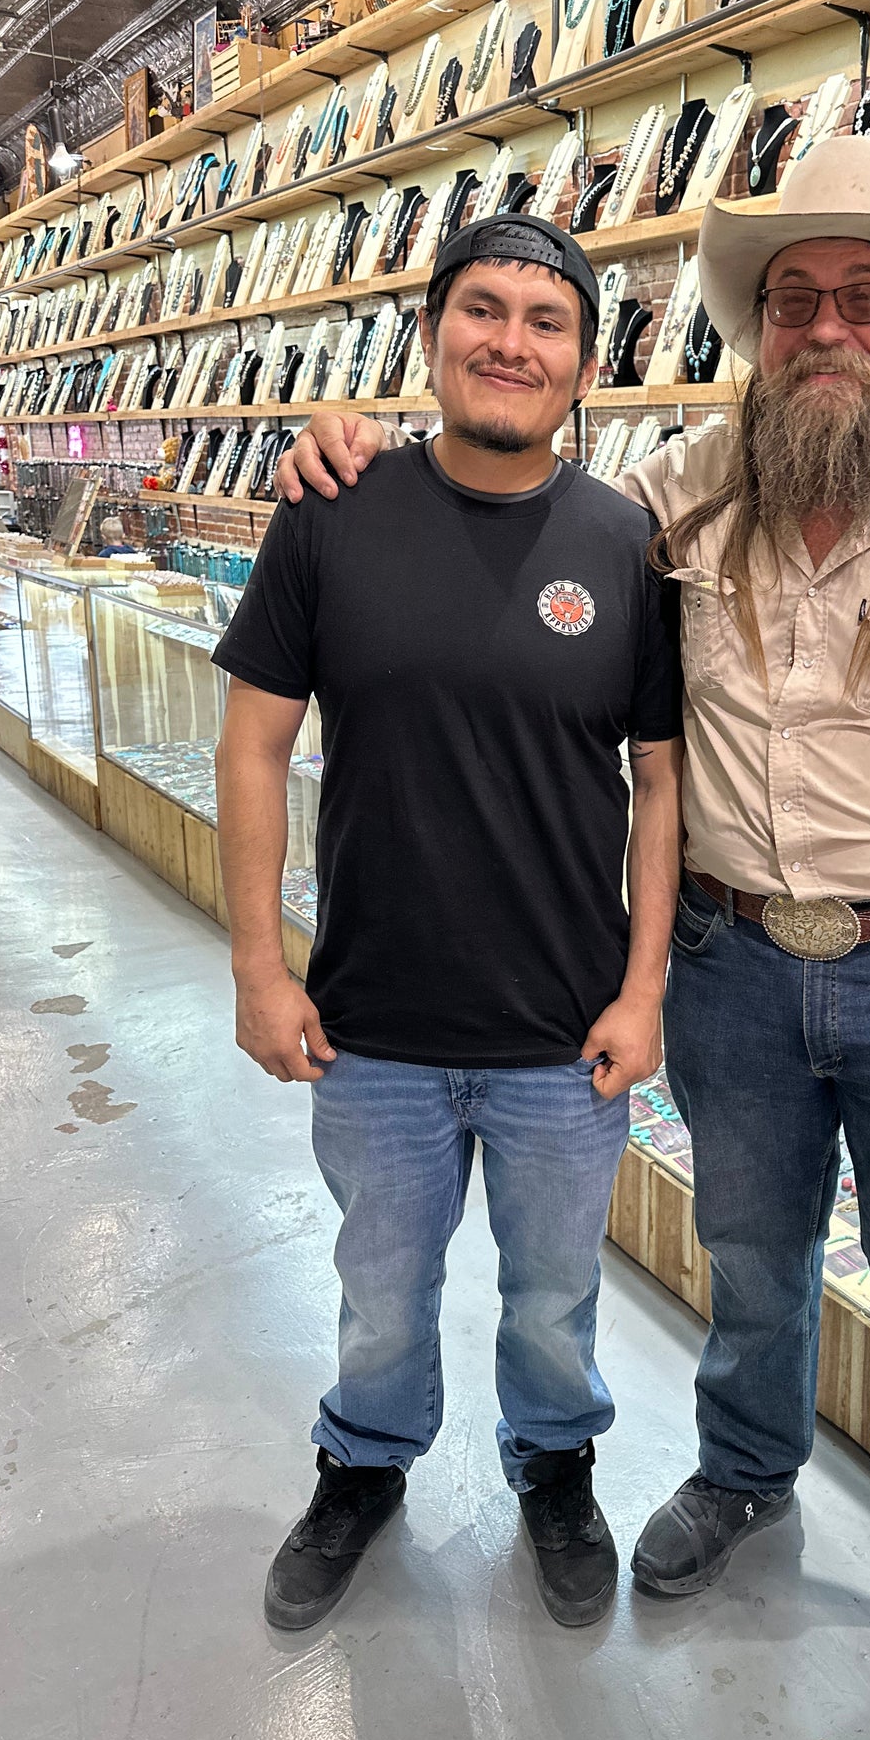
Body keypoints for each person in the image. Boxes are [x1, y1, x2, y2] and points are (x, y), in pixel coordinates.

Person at [275, 138, 870, 1716]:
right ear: (759, 329)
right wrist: (360, 440)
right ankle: (743, 1475)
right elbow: (506, 488)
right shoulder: (680, 493)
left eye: (863, 298)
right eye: (794, 298)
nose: (824, 327)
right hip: (728, 965)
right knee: (752, 1259)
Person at [212, 216, 684, 1635]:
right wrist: (254, 965)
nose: (510, 342)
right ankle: (362, 1464)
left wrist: (642, 988)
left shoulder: (625, 544)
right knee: (378, 1289)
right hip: (374, 1022)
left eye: (547, 321)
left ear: (585, 362)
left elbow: (658, 780)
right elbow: (251, 746)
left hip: (562, 1034)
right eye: (482, 310)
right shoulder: (332, 512)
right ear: (430, 335)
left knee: (551, 1298)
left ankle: (553, 1467)